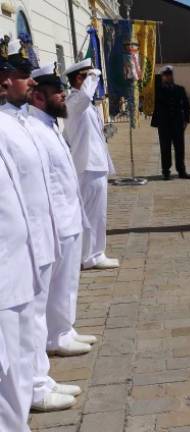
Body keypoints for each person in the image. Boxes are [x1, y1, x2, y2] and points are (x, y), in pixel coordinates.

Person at [2, 40, 81, 412]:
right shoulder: (11, 127)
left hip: (36, 236)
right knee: (21, 329)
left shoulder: (22, 124)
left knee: (29, 324)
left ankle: (38, 381)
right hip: (18, 246)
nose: (28, 82)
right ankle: (33, 388)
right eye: (21, 77)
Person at [0, 36, 40, 431]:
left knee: (19, 352)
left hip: (17, 261)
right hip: (3, 269)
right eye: (18, 75)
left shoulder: (9, 125)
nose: (26, 81)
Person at [63, 59, 120, 270]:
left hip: (95, 163)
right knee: (91, 214)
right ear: (80, 79)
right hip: (87, 166)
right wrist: (95, 72)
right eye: (88, 77)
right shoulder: (75, 101)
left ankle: (93, 253)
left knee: (96, 214)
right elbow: (86, 94)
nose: (95, 81)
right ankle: (91, 256)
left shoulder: (81, 103)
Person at [151, 65, 190, 180]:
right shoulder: (158, 91)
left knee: (179, 148)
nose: (168, 78)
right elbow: (155, 106)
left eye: (169, 75)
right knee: (165, 148)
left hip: (177, 124)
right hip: (164, 125)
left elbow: (186, 106)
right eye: (166, 76)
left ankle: (181, 171)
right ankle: (166, 171)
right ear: (163, 77)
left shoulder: (180, 89)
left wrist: (186, 120)